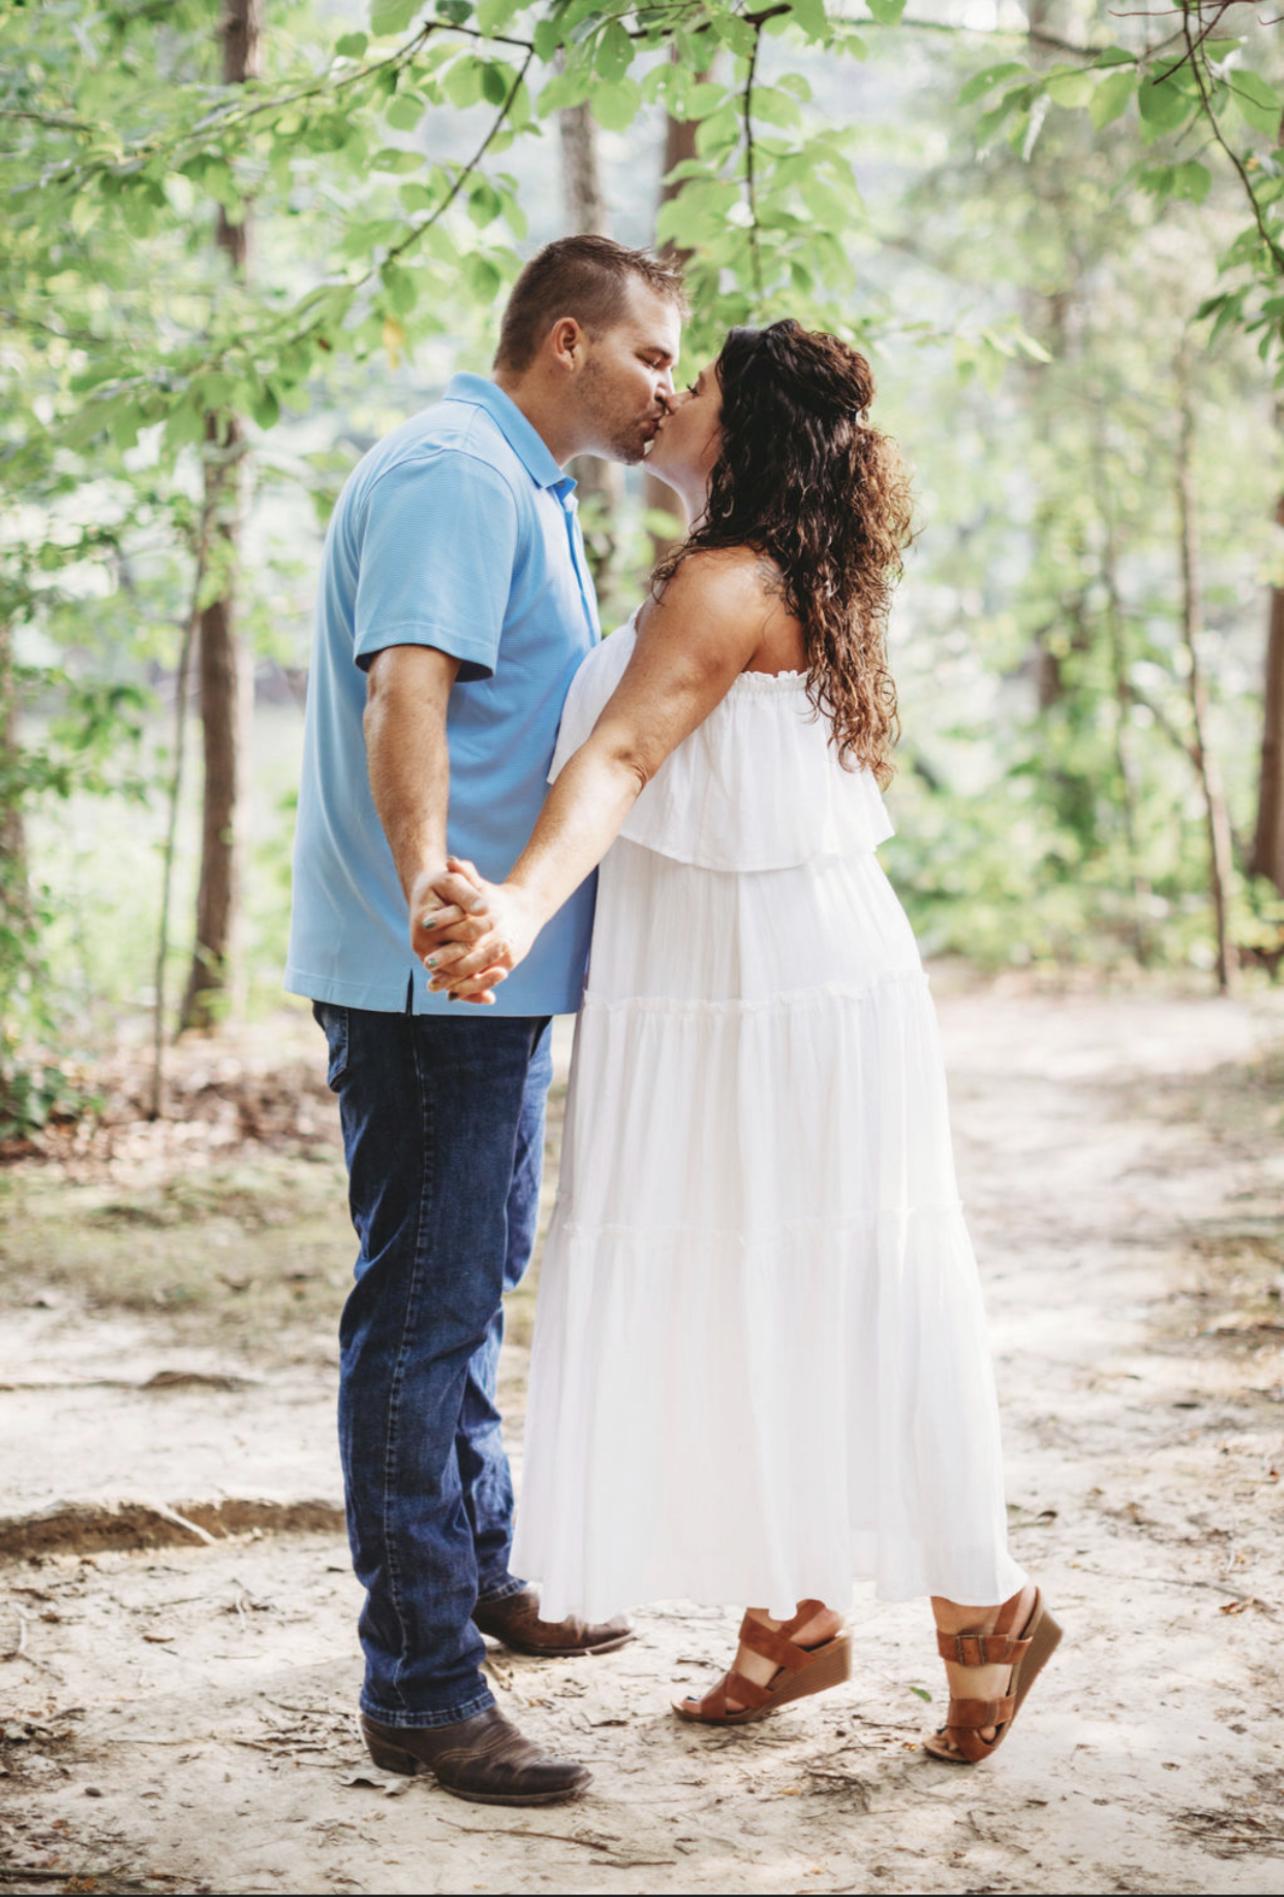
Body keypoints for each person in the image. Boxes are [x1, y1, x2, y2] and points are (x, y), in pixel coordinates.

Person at [423, 319, 1061, 1766]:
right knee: (753, 1278)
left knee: (842, 1278)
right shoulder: (785, 567)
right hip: (744, 977)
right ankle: (796, 1616)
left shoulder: (726, 581)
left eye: (693, 383)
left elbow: (627, 755)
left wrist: (516, 905)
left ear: (747, 427)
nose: (667, 398)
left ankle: (986, 1605)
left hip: (773, 989)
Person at [285, 235, 687, 1806]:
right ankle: (423, 1685)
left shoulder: (523, 479)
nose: (667, 387)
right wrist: (437, 902)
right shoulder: (459, 468)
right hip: (435, 973)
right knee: (425, 1310)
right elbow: (409, 693)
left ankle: (484, 1576)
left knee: (472, 1275)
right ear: (570, 339)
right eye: (654, 357)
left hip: (482, 974)